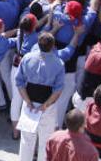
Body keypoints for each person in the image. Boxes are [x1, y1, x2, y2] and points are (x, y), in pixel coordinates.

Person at [15, 32, 65, 161]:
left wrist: (27, 101)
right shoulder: (59, 63)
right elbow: (58, 90)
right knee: (45, 141)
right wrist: (46, 105)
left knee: (26, 140)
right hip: (47, 105)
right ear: (53, 46)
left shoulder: (27, 58)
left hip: (29, 102)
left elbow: (19, 82)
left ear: (38, 44)